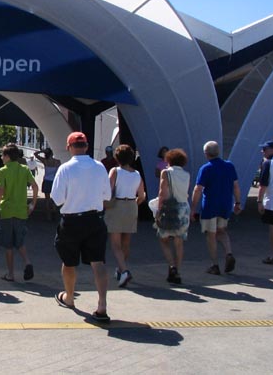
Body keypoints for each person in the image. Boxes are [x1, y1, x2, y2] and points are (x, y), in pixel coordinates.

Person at [51, 132, 110, 323]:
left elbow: (57, 198)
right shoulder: (100, 167)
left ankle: (69, 298)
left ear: (69, 147)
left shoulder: (65, 168)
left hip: (72, 220)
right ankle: (102, 305)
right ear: (86, 146)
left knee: (69, 262)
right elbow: (106, 195)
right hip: (95, 219)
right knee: (98, 262)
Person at [191, 141, 241, 275]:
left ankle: (214, 264)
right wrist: (238, 202)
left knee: (210, 234)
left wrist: (193, 208)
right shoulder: (230, 166)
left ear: (206, 154)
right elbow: (236, 186)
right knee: (222, 231)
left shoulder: (206, 168)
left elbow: (198, 189)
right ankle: (229, 253)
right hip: (225, 205)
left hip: (210, 206)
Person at [0, 143, 36, 282]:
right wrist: (33, 204)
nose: (1, 157)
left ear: (7, 156)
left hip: (6, 210)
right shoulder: (24, 169)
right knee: (20, 241)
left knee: (8, 244)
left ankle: (10, 274)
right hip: (21, 210)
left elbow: (1, 192)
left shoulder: (2, 171)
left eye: (2, 155)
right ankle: (27, 262)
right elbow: (35, 186)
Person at [103, 145, 146, 287]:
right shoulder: (137, 174)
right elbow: (142, 195)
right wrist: (135, 204)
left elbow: (108, 191)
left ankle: (125, 271)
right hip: (132, 205)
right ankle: (121, 269)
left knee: (115, 244)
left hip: (118, 205)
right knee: (126, 242)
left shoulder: (115, 171)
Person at [155, 148, 191, 284]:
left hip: (170, 208)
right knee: (179, 241)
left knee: (163, 239)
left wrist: (158, 210)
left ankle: (171, 265)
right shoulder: (186, 174)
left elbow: (162, 192)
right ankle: (177, 270)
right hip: (184, 207)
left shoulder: (166, 173)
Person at [257, 140, 273, 264]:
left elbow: (262, 185)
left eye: (265, 149)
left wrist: (259, 201)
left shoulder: (268, 164)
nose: (262, 152)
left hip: (272, 202)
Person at [34, 147, 61, 221]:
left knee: (47, 199)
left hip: (46, 180)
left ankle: (48, 216)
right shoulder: (57, 162)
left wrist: (42, 151)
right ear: (52, 154)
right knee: (55, 198)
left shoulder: (45, 161)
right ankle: (55, 210)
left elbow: (35, 154)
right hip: (54, 181)